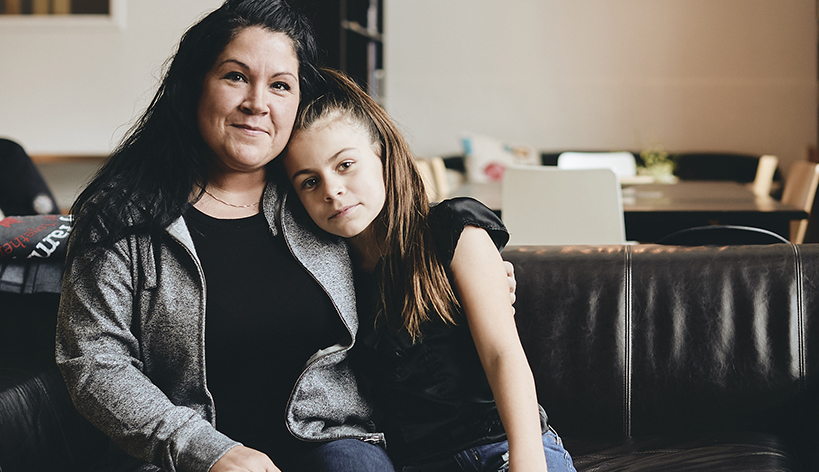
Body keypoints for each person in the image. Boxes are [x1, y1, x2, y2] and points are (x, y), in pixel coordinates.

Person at [55, 2, 517, 471]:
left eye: (280, 85)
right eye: (235, 76)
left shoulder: (315, 196)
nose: (258, 102)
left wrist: (470, 275)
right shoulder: (120, 215)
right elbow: (94, 363)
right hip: (186, 457)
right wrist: (211, 453)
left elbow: (402, 250)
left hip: (331, 446)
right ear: (194, 84)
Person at [281, 68, 576, 472]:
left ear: (381, 157)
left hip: (503, 445)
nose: (332, 190)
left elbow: (502, 354)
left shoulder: (452, 229)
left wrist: (528, 462)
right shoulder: (331, 278)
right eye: (309, 182)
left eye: (345, 165)